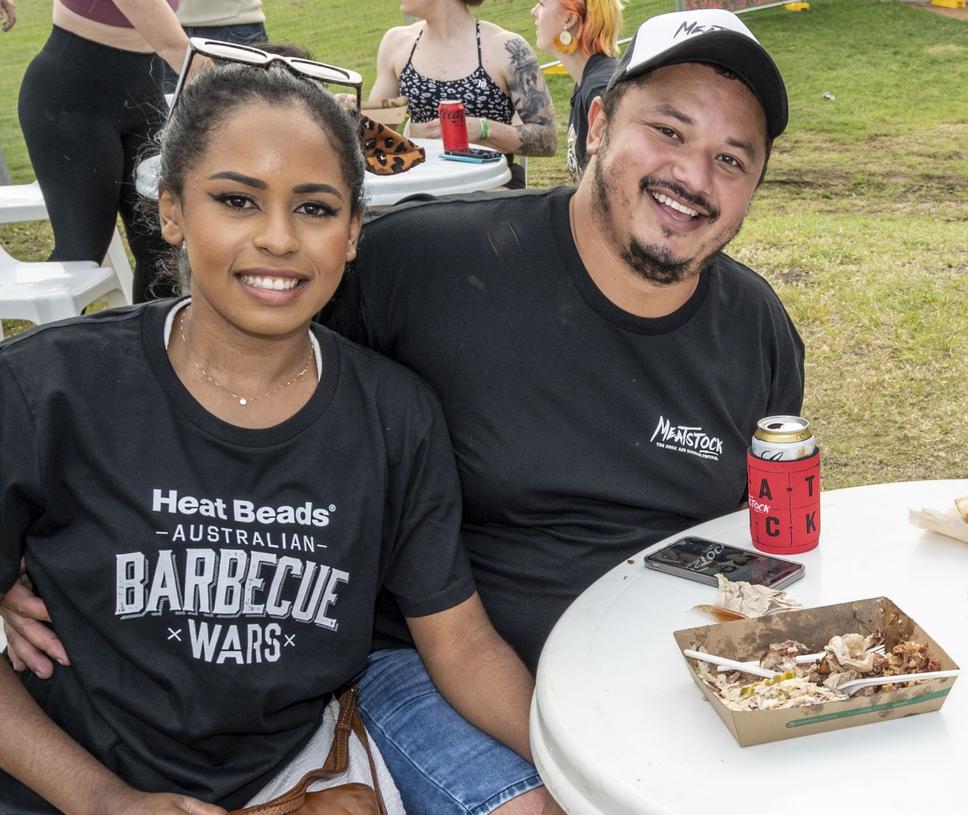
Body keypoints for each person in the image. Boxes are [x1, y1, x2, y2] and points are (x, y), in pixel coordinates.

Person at [0, 57, 541, 813]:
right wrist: (101, 798)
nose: (278, 238)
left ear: (354, 231)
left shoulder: (395, 417)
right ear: (172, 210)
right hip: (67, 783)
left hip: (293, 781)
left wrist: (572, 762)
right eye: (236, 200)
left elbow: (461, 643)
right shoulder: (46, 390)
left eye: (315, 209)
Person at [17, 0, 189, 302]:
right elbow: (174, 46)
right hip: (71, 104)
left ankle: (149, 345)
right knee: (81, 251)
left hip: (144, 97)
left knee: (163, 247)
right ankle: (46, 348)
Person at [360, 0, 557, 188]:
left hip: (488, 185)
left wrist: (484, 129)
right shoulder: (397, 43)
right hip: (421, 184)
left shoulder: (506, 48)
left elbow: (548, 139)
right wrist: (350, 113)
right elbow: (374, 137)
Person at [530, 0, 621, 182]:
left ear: (569, 19)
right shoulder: (584, 82)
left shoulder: (600, 90)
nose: (533, 12)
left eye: (541, 4)